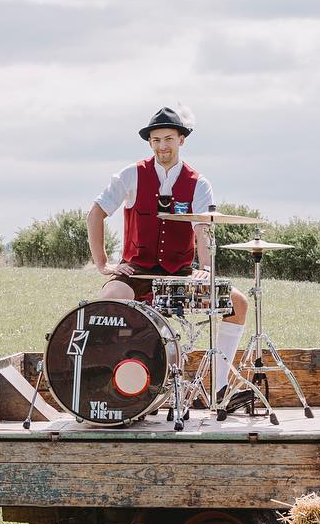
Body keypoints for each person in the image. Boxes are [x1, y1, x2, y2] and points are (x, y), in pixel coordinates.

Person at [85, 106, 251, 404]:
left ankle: (220, 386)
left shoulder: (198, 182)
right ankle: (114, 387)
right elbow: (95, 214)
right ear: (150, 142)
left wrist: (206, 269)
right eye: (156, 140)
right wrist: (103, 264)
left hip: (180, 274)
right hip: (137, 270)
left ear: (181, 140)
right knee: (110, 301)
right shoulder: (131, 174)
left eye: (168, 139)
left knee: (238, 302)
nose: (162, 146)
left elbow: (203, 229)